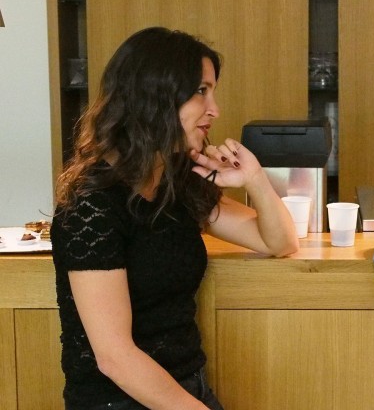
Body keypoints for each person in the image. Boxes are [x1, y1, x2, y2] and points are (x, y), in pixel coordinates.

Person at [51, 27, 299, 410]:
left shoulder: (176, 182)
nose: (214, 109)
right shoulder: (91, 204)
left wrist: (255, 180)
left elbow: (280, 242)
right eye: (201, 90)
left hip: (186, 389)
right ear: (155, 95)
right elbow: (115, 357)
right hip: (117, 401)